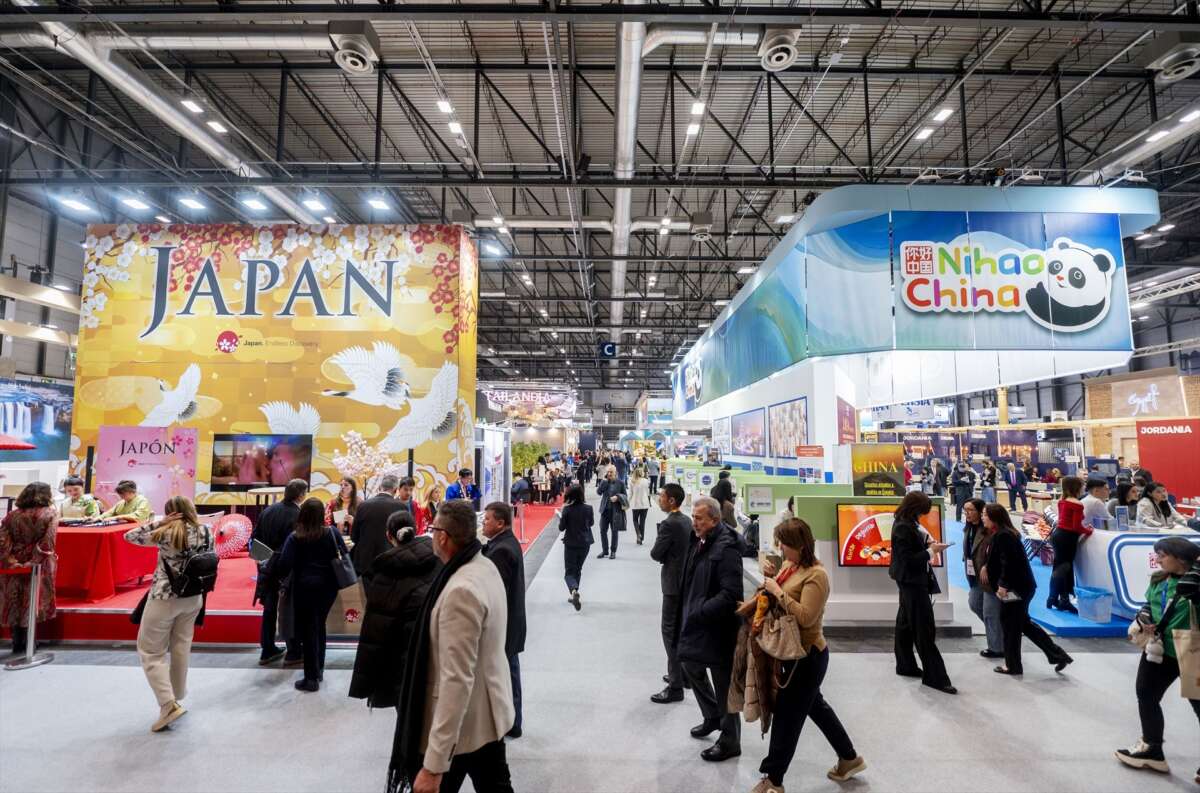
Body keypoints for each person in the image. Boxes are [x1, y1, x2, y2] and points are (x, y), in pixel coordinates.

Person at [389, 500, 514, 793]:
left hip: (465, 727)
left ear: (442, 536)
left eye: (433, 530)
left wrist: (433, 765)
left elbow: (456, 679)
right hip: (488, 715)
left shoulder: (460, 590)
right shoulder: (484, 566)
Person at [751, 519, 866, 791]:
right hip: (791, 655)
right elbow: (784, 590)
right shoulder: (792, 566)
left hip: (806, 656)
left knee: (787, 718)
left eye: (784, 543)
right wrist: (774, 576)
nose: (780, 548)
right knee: (816, 707)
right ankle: (849, 758)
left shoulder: (817, 575)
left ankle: (773, 780)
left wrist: (779, 593)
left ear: (800, 545)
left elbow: (805, 617)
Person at [123, 496, 214, 732]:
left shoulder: (166, 533)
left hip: (165, 597)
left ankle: (167, 704)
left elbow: (130, 536)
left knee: (151, 651)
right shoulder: (206, 531)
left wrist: (160, 522)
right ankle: (177, 694)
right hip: (195, 597)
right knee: (181, 646)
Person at [1114, 537, 1200, 775]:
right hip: (1160, 648)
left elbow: (1189, 590)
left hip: (1192, 649)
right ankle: (1152, 749)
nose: (1158, 558)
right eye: (1157, 554)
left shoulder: (1194, 582)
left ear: (1181, 558)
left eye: (1163, 554)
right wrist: (1144, 617)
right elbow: (1149, 603)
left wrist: (1195, 567)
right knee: (1146, 694)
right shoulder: (1159, 579)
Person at [349, 511, 439, 709]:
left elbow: (376, 630)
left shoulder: (385, 573)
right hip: (436, 650)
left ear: (389, 536)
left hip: (401, 659)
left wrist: (367, 683)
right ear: (415, 530)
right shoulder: (436, 560)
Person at [678, 496, 743, 762]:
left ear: (715, 520)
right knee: (689, 665)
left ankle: (730, 741)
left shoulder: (725, 549)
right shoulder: (702, 540)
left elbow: (731, 595)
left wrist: (701, 610)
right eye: (693, 517)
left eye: (699, 518)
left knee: (723, 682)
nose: (694, 522)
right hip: (698, 622)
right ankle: (711, 716)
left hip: (718, 628)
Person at [982, 505, 1073, 676]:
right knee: (1023, 624)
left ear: (995, 517)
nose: (982, 518)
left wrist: (1003, 585)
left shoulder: (1003, 535)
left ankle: (1013, 666)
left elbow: (1009, 563)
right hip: (1020, 587)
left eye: (985, 515)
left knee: (1010, 626)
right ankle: (1058, 655)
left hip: (1016, 588)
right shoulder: (1002, 533)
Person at [274, 497, 349, 692]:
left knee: (308, 630)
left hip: (304, 588)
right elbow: (343, 553)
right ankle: (319, 669)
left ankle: (311, 678)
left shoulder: (295, 536)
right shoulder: (331, 533)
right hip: (329, 588)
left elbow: (284, 564)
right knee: (318, 626)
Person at [889, 491, 955, 694]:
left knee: (905, 624)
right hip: (912, 582)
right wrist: (931, 551)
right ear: (915, 509)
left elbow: (914, 543)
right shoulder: (903, 527)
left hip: (909, 581)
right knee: (923, 629)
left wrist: (928, 544)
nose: (923, 516)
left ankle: (905, 665)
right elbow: (908, 560)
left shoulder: (906, 522)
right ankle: (935, 677)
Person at [482, 502, 527, 739]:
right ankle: (512, 721)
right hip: (511, 622)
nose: (484, 522)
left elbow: (493, 591)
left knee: (507, 675)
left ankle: (511, 722)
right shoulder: (504, 544)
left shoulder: (502, 550)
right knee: (510, 673)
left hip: (505, 624)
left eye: (487, 519)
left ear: (500, 522)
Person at [251, 478, 307, 665]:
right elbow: (297, 545)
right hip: (286, 568)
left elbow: (255, 539)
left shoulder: (268, 510)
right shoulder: (298, 514)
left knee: (269, 609)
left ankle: (267, 649)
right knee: (289, 609)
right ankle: (293, 650)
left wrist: (262, 565)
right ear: (301, 495)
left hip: (267, 565)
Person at [0, 482, 58, 657]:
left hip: (13, 564)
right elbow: (48, 542)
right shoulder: (50, 514)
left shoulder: (11, 515)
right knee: (34, 599)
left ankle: (16, 641)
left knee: (13, 599)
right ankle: (30, 642)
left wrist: (11, 561)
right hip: (38, 565)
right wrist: (34, 561)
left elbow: (2, 541)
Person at [650, 482, 692, 705]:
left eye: (662, 497)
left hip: (672, 585)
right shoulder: (686, 521)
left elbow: (656, 553)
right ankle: (682, 674)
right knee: (679, 630)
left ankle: (675, 685)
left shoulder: (669, 524)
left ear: (672, 500)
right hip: (684, 582)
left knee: (669, 632)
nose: (659, 500)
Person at [962, 498, 1003, 659]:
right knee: (975, 604)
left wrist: (987, 566)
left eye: (971, 510)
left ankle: (997, 647)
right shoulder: (968, 528)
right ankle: (999, 636)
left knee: (990, 612)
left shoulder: (989, 530)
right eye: (965, 510)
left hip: (989, 577)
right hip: (975, 576)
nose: (967, 513)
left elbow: (995, 553)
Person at [351, 475, 411, 575]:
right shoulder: (401, 507)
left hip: (364, 561)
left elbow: (354, 536)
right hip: (390, 559)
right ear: (396, 490)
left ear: (379, 488)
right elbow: (405, 538)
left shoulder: (363, 505)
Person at [1048, 475, 1091, 614]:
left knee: (1059, 568)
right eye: (1082, 485)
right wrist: (1089, 531)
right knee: (1065, 569)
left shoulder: (1063, 500)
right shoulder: (1077, 504)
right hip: (1067, 538)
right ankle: (1062, 600)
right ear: (1076, 487)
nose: (1084, 487)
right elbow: (1075, 527)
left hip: (1058, 535)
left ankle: (1055, 597)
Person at [558, 484, 593, 610]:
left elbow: (561, 528)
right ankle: (574, 593)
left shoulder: (567, 510)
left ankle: (573, 591)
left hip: (571, 543)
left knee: (569, 572)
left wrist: (562, 516)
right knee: (578, 569)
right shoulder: (589, 508)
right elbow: (592, 523)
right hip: (585, 543)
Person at [596, 466, 627, 560]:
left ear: (615, 473)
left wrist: (617, 497)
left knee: (614, 531)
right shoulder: (604, 482)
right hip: (605, 510)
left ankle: (613, 551)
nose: (609, 474)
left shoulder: (620, 483)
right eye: (608, 472)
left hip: (615, 511)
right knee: (602, 530)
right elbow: (598, 492)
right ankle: (605, 550)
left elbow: (625, 495)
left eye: (611, 472)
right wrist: (603, 482)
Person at [629, 465, 651, 545]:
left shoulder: (632, 481)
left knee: (635, 520)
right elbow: (648, 493)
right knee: (642, 521)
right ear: (641, 473)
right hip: (645, 504)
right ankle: (641, 539)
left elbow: (630, 494)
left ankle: (638, 534)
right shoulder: (646, 481)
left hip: (635, 504)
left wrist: (627, 503)